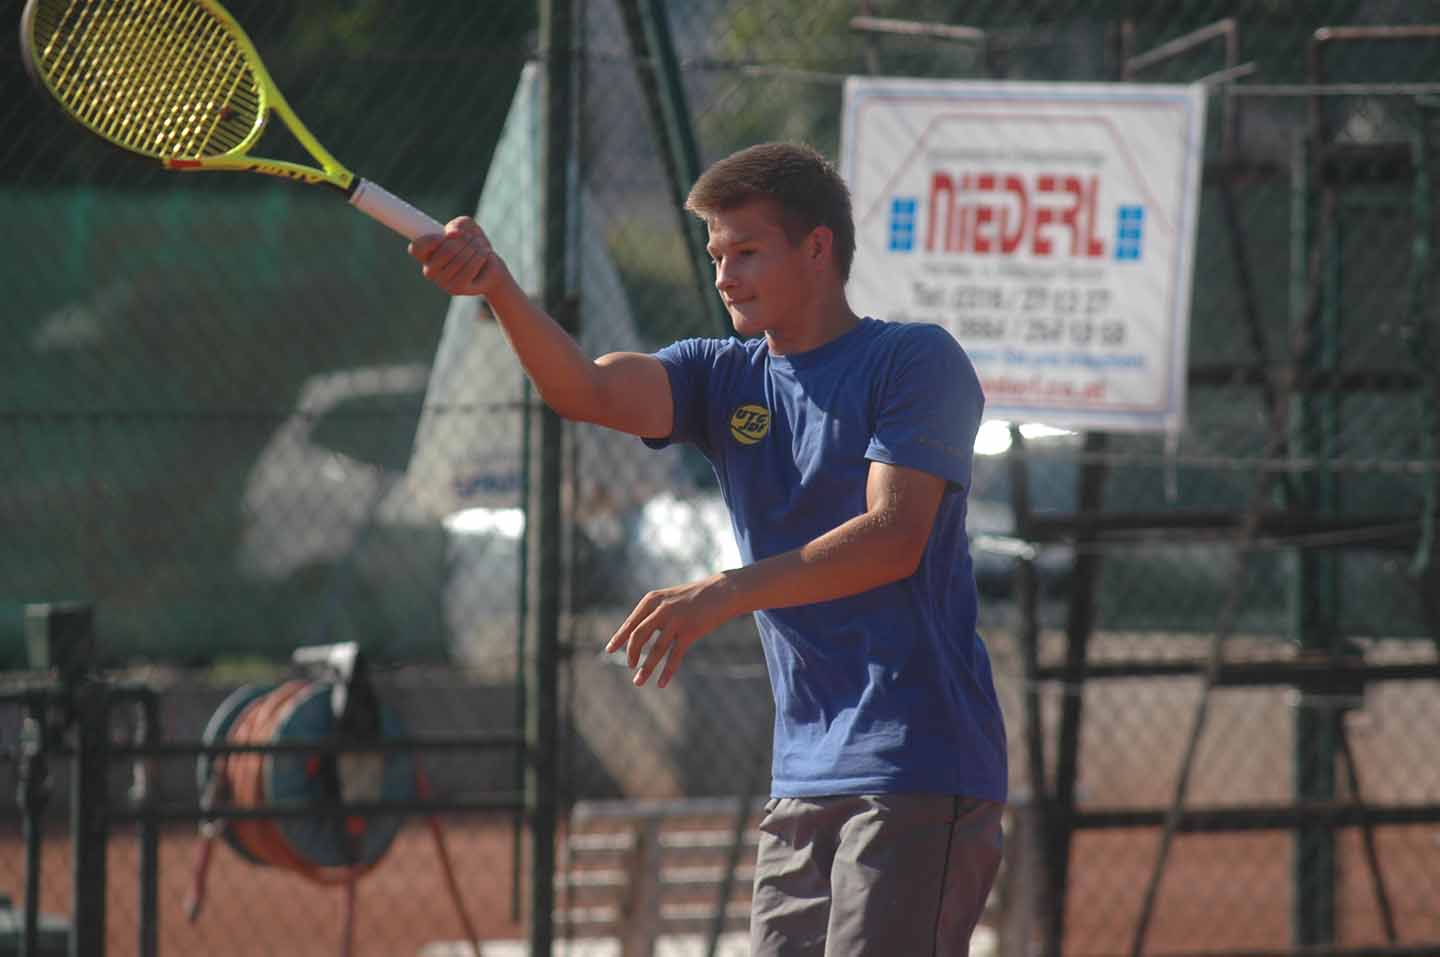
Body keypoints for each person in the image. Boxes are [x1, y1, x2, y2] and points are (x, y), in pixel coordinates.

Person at [411, 142, 1007, 957]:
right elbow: (584, 388)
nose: (725, 276)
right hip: (804, 773)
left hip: (918, 760)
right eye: (716, 256)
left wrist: (722, 591)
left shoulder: (914, 360)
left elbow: (893, 536)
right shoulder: (720, 376)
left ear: (818, 248)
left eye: (747, 251)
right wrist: (497, 287)